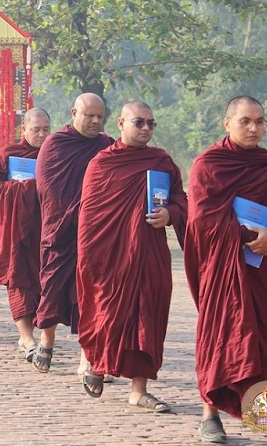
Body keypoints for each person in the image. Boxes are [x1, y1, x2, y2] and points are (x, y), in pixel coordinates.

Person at [185, 96, 267, 446]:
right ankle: (210, 414)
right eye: (245, 121)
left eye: (259, 121)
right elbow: (202, 220)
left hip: (265, 270)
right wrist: (247, 235)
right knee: (221, 341)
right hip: (222, 271)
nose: (254, 128)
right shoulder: (208, 165)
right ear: (227, 123)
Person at [76, 101, 186, 410]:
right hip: (109, 257)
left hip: (149, 254)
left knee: (148, 318)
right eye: (139, 122)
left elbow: (181, 199)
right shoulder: (102, 164)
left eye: (152, 124)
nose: (147, 129)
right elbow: (90, 217)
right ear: (121, 124)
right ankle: (98, 362)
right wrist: (90, 260)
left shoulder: (162, 161)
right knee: (107, 312)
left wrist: (171, 213)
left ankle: (139, 390)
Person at [33, 93, 113, 373]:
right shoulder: (56, 144)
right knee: (52, 289)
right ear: (74, 112)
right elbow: (48, 188)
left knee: (90, 295)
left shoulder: (107, 146)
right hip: (61, 232)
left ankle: (87, 357)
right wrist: (80, 213)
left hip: (94, 235)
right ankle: (47, 336)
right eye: (89, 115)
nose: (94, 121)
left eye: (99, 117)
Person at [0, 107, 51, 361]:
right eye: (36, 130)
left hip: (46, 231)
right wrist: (27, 187)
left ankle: (40, 334)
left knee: (46, 284)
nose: (42, 135)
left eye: (46, 129)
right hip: (17, 233)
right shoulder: (9, 154)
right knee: (19, 282)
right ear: (24, 130)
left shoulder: (55, 155)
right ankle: (26, 337)